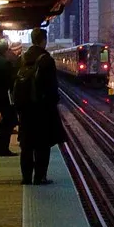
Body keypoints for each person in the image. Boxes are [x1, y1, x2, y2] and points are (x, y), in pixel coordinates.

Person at [14, 28, 67, 185]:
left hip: (24, 110)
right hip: (42, 109)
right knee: (42, 145)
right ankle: (40, 177)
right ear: (43, 40)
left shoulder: (22, 58)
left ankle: (26, 178)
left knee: (26, 145)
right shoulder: (46, 60)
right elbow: (52, 87)